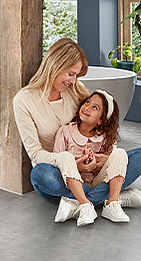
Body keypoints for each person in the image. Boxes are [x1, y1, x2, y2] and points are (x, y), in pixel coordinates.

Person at [13, 38, 141, 222]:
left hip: (93, 171)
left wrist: (104, 158)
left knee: (135, 156)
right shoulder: (24, 100)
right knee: (40, 175)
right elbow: (35, 153)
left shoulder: (74, 90)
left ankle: (82, 202)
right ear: (56, 66)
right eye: (71, 74)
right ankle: (113, 197)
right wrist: (74, 164)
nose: (73, 81)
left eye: (76, 76)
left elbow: (104, 122)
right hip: (58, 171)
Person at [52, 89, 128, 226]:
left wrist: (98, 161)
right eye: (88, 102)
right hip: (72, 183)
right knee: (64, 156)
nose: (87, 107)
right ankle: (85, 204)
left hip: (97, 181)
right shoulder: (65, 131)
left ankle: (112, 203)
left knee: (121, 154)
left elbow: (113, 165)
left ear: (101, 120)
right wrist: (78, 165)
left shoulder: (105, 138)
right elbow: (56, 163)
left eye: (95, 107)